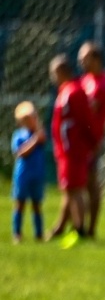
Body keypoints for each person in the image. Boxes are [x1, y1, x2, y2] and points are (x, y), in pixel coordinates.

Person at [47, 55, 93, 242]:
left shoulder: (74, 92)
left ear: (62, 71)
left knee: (75, 188)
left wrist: (88, 143)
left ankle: (80, 228)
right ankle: (63, 227)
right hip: (66, 150)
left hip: (73, 149)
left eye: (54, 73)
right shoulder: (65, 91)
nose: (52, 77)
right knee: (69, 188)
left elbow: (85, 120)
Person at [77, 41, 105, 238]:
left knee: (91, 183)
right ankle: (76, 225)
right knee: (77, 184)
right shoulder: (84, 80)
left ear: (96, 59)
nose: (80, 61)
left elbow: (89, 109)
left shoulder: (104, 82)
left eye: (84, 57)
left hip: (93, 140)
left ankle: (90, 228)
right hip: (79, 140)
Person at [11, 101, 48, 243]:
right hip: (23, 175)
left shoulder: (39, 134)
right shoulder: (19, 135)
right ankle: (17, 233)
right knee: (20, 203)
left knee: (37, 204)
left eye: (32, 117)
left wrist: (37, 131)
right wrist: (34, 140)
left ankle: (39, 234)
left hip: (37, 175)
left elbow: (43, 139)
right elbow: (21, 152)